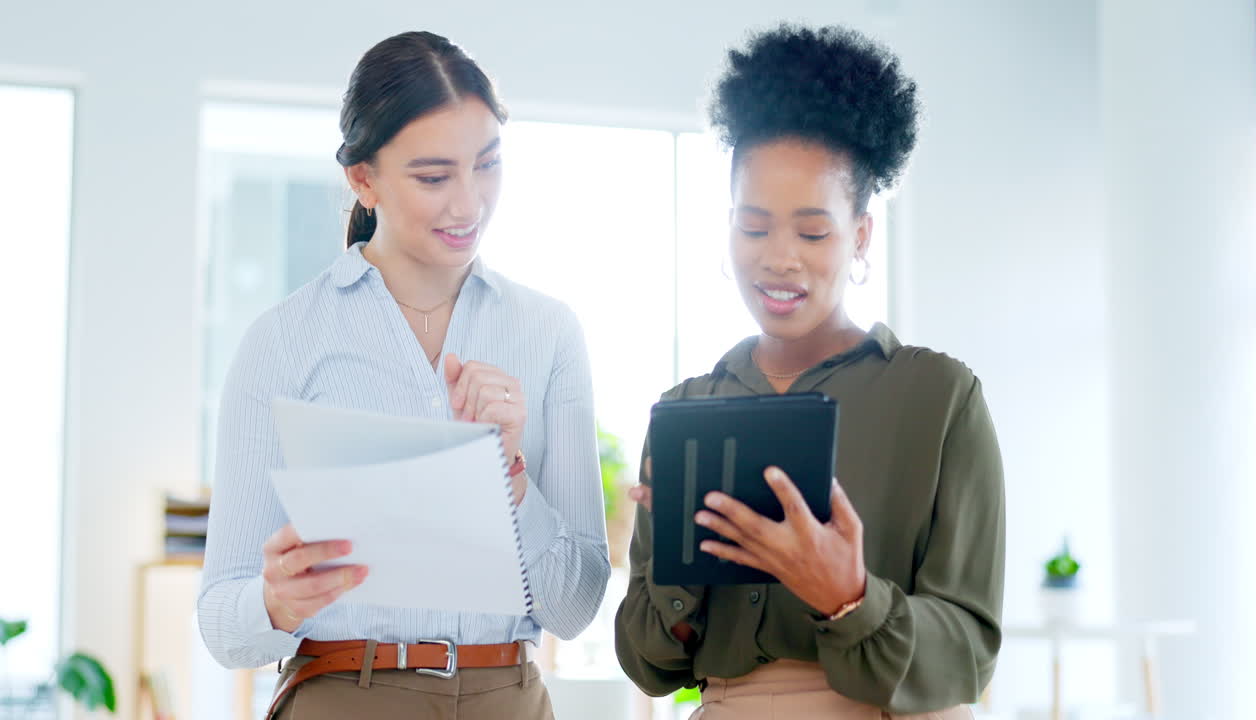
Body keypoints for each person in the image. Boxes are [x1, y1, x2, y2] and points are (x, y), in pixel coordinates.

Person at [197, 30, 609, 720]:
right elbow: (220, 623)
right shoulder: (283, 343)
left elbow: (576, 607)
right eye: (433, 177)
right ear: (363, 179)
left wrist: (510, 477)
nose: (469, 204)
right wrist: (273, 601)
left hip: (506, 698)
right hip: (344, 697)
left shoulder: (548, 333)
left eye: (487, 165)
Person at [615, 24, 1004, 718]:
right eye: (754, 227)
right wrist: (680, 576)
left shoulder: (939, 399)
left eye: (813, 231)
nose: (779, 258)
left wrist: (848, 595)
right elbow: (651, 666)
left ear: (860, 236)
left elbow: (970, 654)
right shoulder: (686, 410)